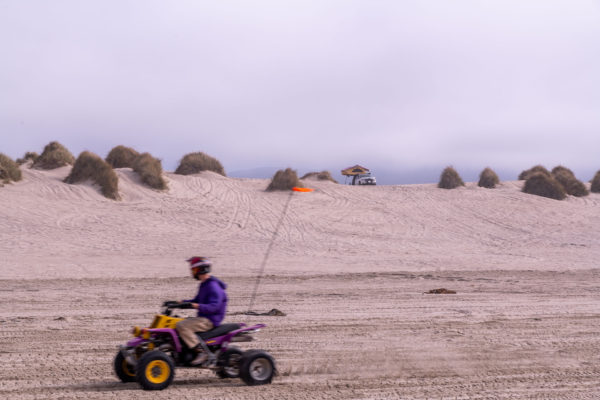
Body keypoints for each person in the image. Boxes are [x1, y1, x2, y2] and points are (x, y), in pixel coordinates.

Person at [175, 256, 228, 366]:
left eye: (194, 270)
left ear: (201, 269)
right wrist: (181, 303)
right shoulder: (204, 284)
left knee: (182, 325)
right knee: (175, 321)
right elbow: (196, 300)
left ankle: (202, 353)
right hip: (203, 318)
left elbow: (214, 307)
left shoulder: (213, 286)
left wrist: (196, 306)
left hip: (210, 320)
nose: (192, 273)